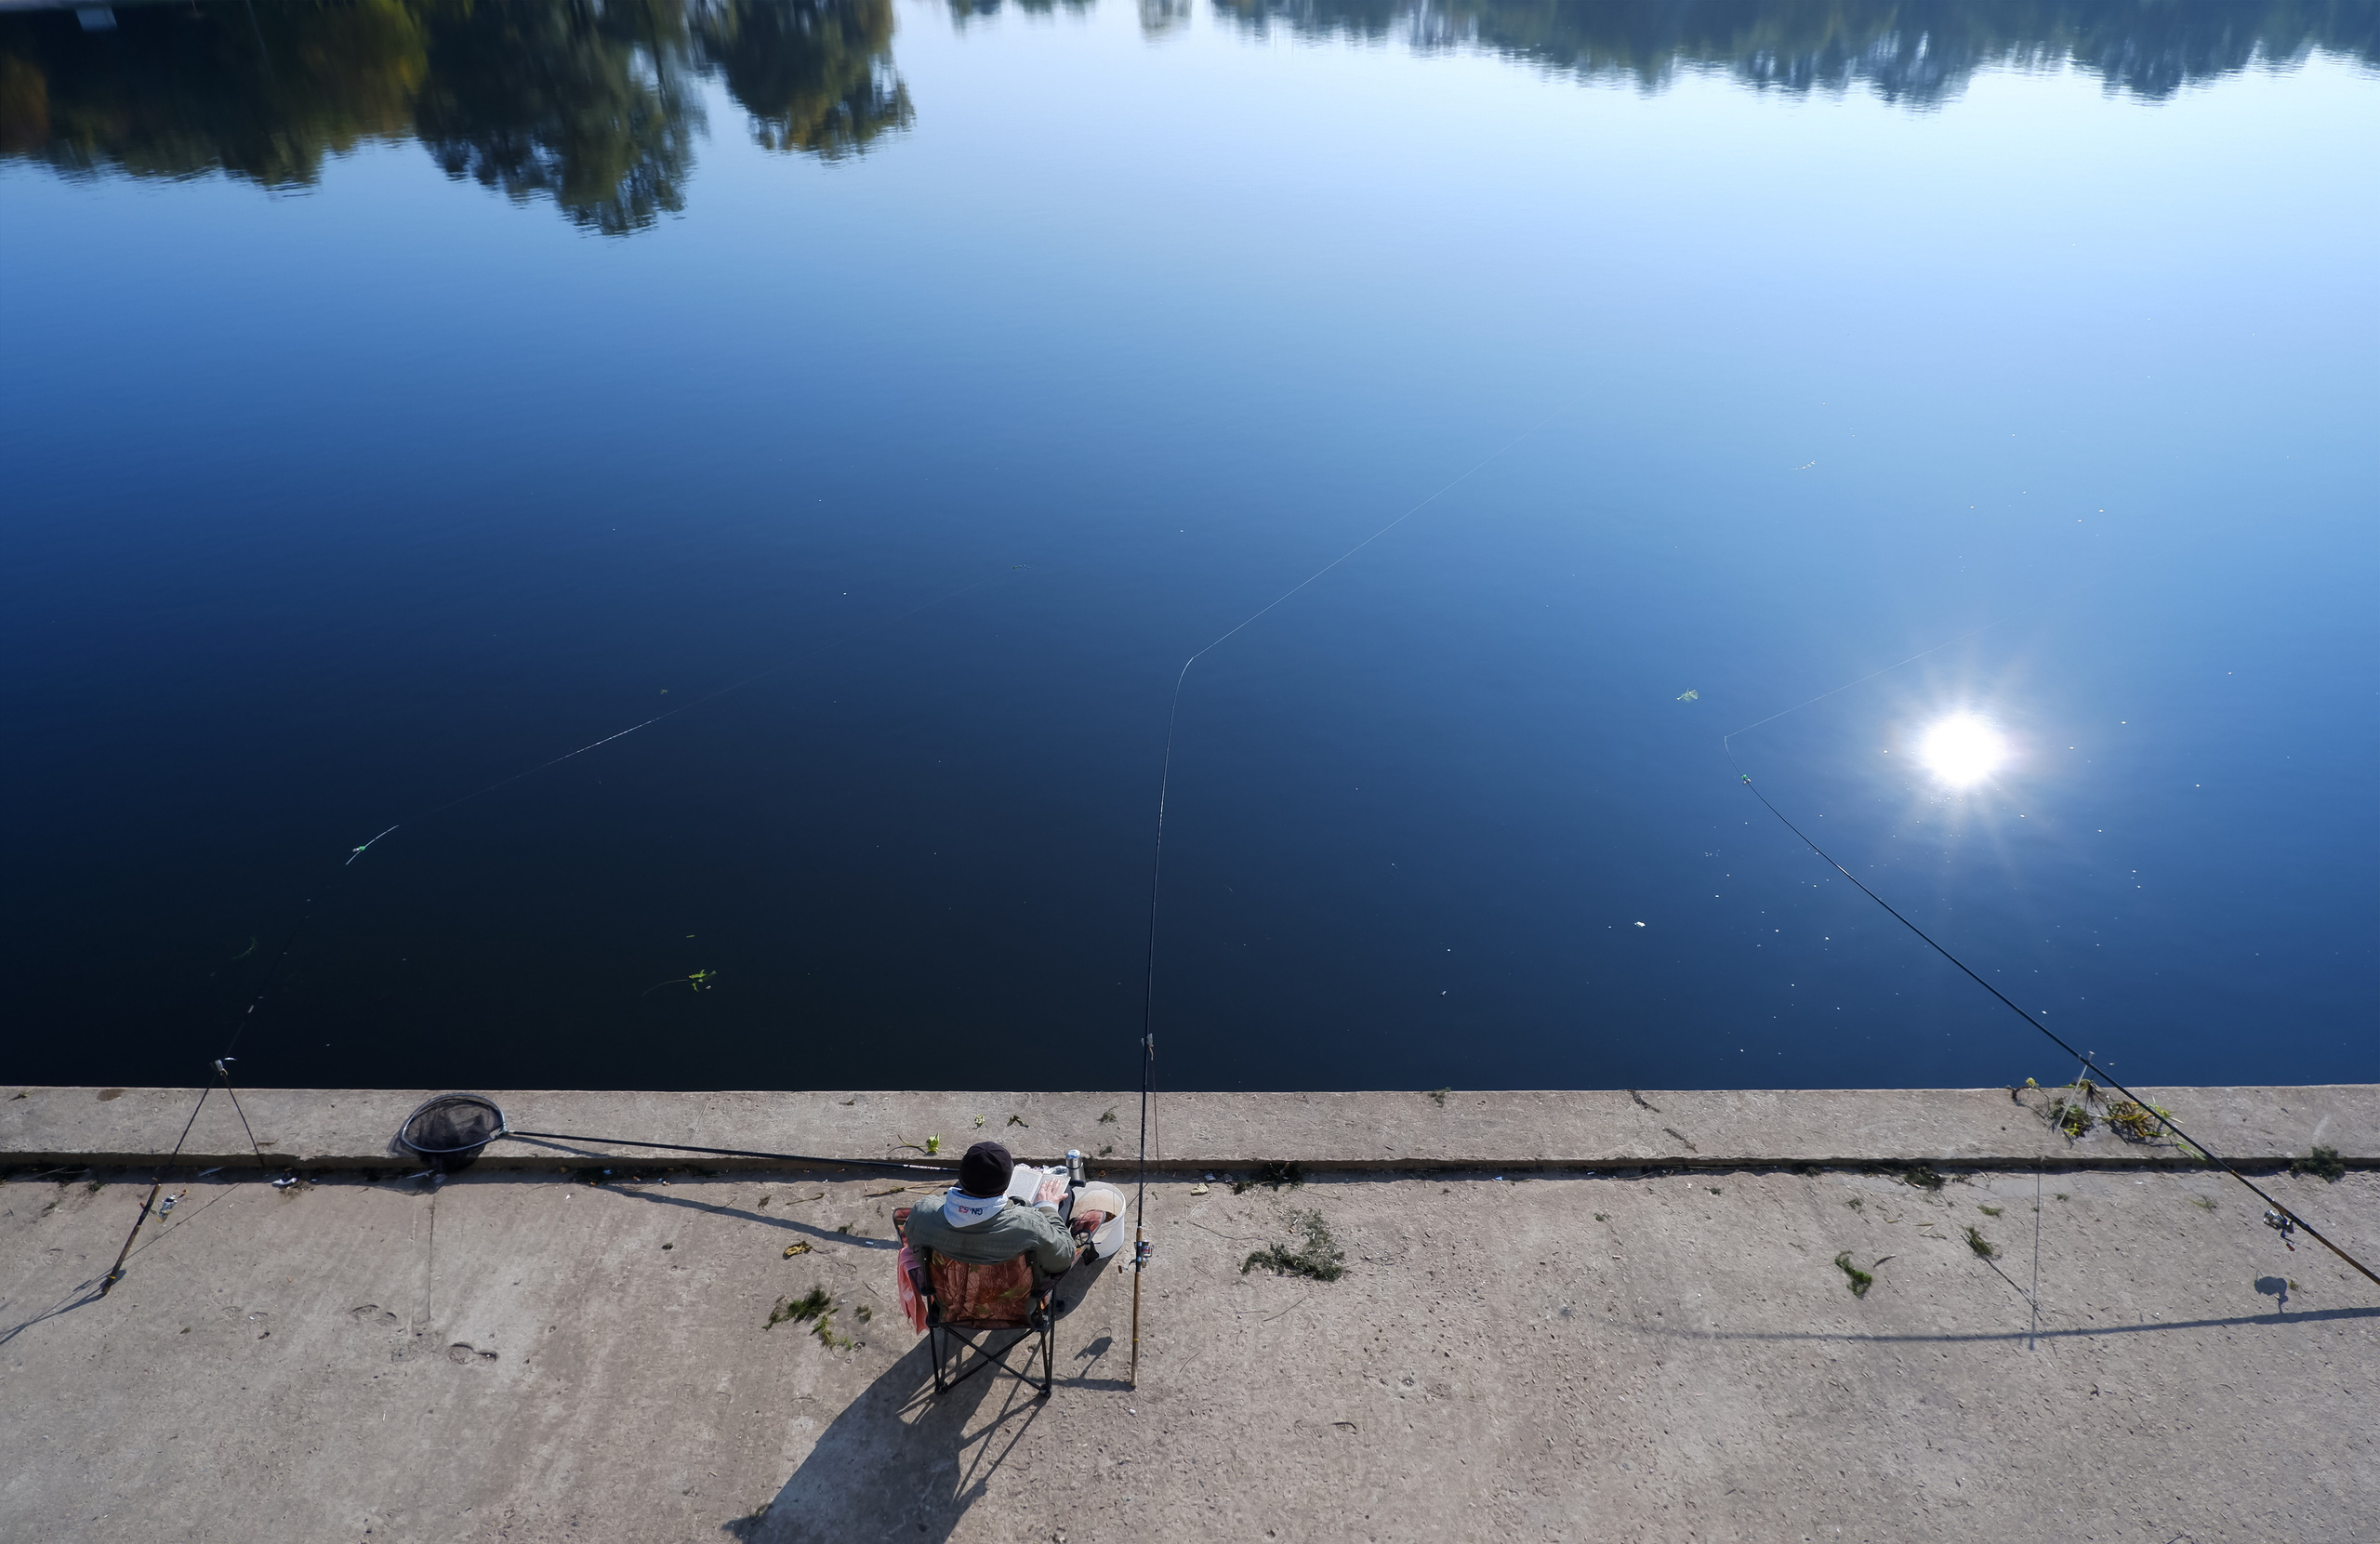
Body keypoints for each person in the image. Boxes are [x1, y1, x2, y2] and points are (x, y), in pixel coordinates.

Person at [900, 1141, 1090, 1276]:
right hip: (1016, 1305)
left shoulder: (922, 1213)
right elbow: (1064, 1258)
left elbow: (914, 1249)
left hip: (950, 1303)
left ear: (962, 1178)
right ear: (1007, 1185)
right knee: (1066, 1195)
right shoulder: (1031, 1227)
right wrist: (1047, 1206)